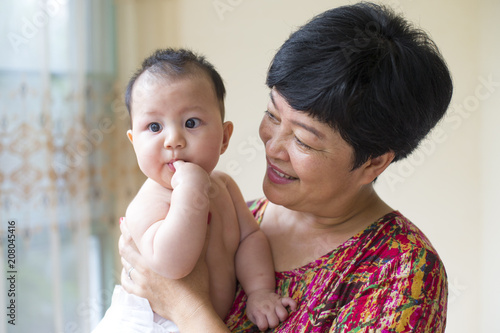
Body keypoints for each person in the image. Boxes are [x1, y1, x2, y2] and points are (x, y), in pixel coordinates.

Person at [119, 2, 453, 332]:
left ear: (374, 161)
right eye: (272, 116)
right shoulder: (234, 217)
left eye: (304, 141)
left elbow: (175, 294)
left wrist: (185, 307)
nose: (273, 147)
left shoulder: (401, 273)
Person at [93, 48, 296, 333]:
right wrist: (189, 191)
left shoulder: (224, 186)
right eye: (154, 127)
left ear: (224, 138)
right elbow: (172, 267)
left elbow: (250, 239)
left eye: (191, 123)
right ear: (133, 142)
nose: (173, 139)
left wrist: (259, 291)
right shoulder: (147, 202)